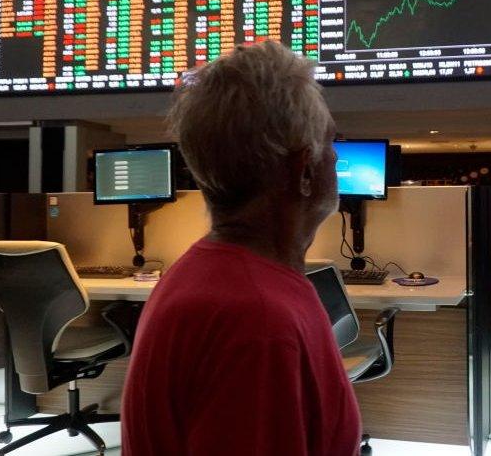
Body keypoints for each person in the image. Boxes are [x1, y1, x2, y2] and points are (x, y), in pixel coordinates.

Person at [121, 42, 361, 456]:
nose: (337, 157)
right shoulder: (258, 322)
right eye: (331, 142)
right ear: (303, 171)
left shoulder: (213, 276)